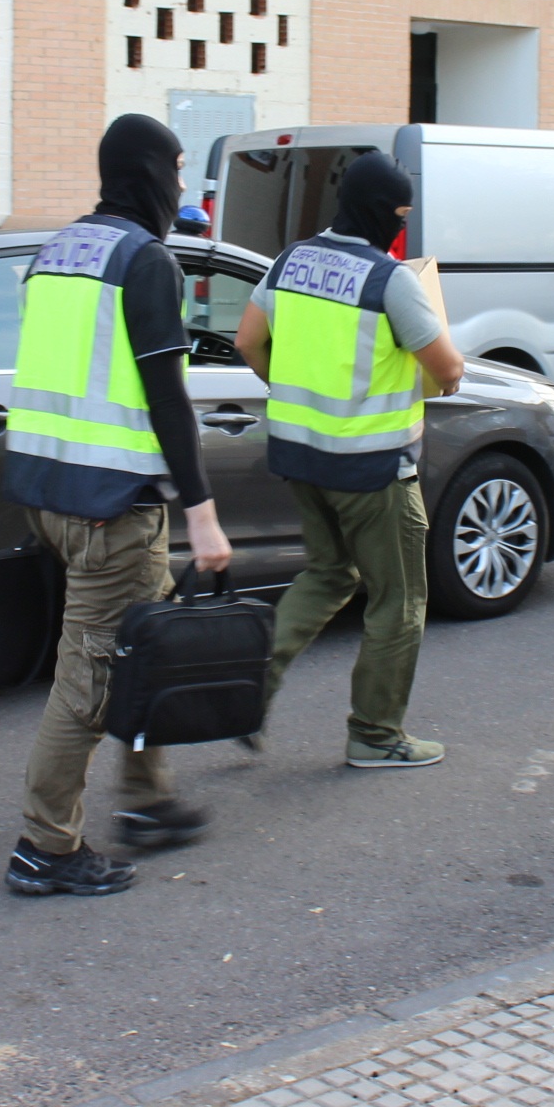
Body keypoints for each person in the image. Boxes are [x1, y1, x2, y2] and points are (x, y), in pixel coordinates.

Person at [0, 115, 232, 897]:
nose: (180, 185)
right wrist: (200, 510)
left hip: (53, 497)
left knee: (141, 649)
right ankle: (45, 845)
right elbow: (168, 399)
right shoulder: (145, 260)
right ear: (146, 172)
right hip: (112, 509)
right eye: (174, 167)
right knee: (89, 682)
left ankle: (148, 798)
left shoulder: (56, 251)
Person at [234, 153, 466, 769]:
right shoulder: (390, 279)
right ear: (382, 213)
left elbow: (248, 340)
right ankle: (375, 734)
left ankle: (249, 686)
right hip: (373, 470)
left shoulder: (291, 261)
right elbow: (447, 370)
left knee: (330, 573)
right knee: (399, 599)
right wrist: (438, 380)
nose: (401, 226)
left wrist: (287, 388)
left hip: (300, 458)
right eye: (400, 215)